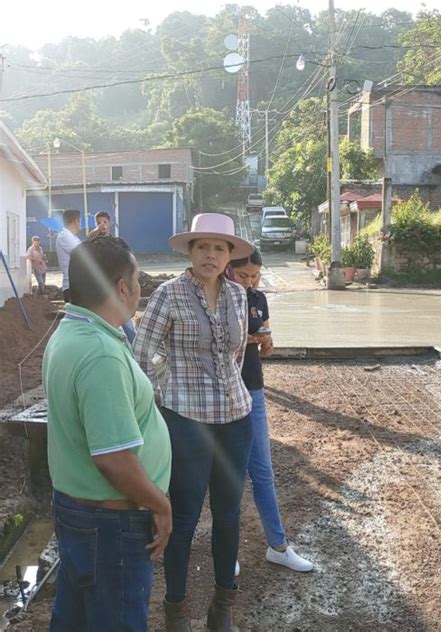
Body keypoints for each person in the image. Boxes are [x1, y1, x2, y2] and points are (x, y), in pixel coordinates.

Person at [43, 236, 172, 632]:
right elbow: (114, 459)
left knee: (77, 617)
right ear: (121, 286)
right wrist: (161, 506)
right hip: (111, 524)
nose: (139, 289)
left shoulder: (72, 330)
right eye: (136, 280)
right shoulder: (99, 353)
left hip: (84, 513)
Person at [134, 213, 255, 632]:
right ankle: (176, 610)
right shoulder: (168, 294)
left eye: (219, 248)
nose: (210, 254)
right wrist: (160, 398)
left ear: (229, 256)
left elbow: (235, 356)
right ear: (190, 251)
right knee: (183, 515)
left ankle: (223, 606)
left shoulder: (239, 296)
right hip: (185, 419)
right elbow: (140, 354)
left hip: (236, 418)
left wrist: (228, 387)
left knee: (228, 512)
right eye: (202, 246)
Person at [229, 249, 313, 573]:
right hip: (224, 395)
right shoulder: (220, 300)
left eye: (255, 277)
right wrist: (250, 339)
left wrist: (265, 340)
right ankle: (227, 551)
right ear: (229, 271)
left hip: (253, 388)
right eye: (244, 275)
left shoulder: (258, 298)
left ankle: (278, 546)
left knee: (262, 470)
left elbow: (263, 330)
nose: (250, 282)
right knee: (230, 474)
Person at [88, 210, 137, 343]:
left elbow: (129, 262)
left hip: (117, 289)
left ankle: (135, 352)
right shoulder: (92, 244)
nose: (102, 225)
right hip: (99, 291)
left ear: (110, 223)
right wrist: (92, 236)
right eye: (98, 223)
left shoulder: (118, 243)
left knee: (127, 325)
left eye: (104, 222)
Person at [55, 209, 81, 303]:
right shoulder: (64, 236)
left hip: (78, 286)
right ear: (76, 220)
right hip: (72, 287)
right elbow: (82, 255)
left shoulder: (73, 237)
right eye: (80, 221)